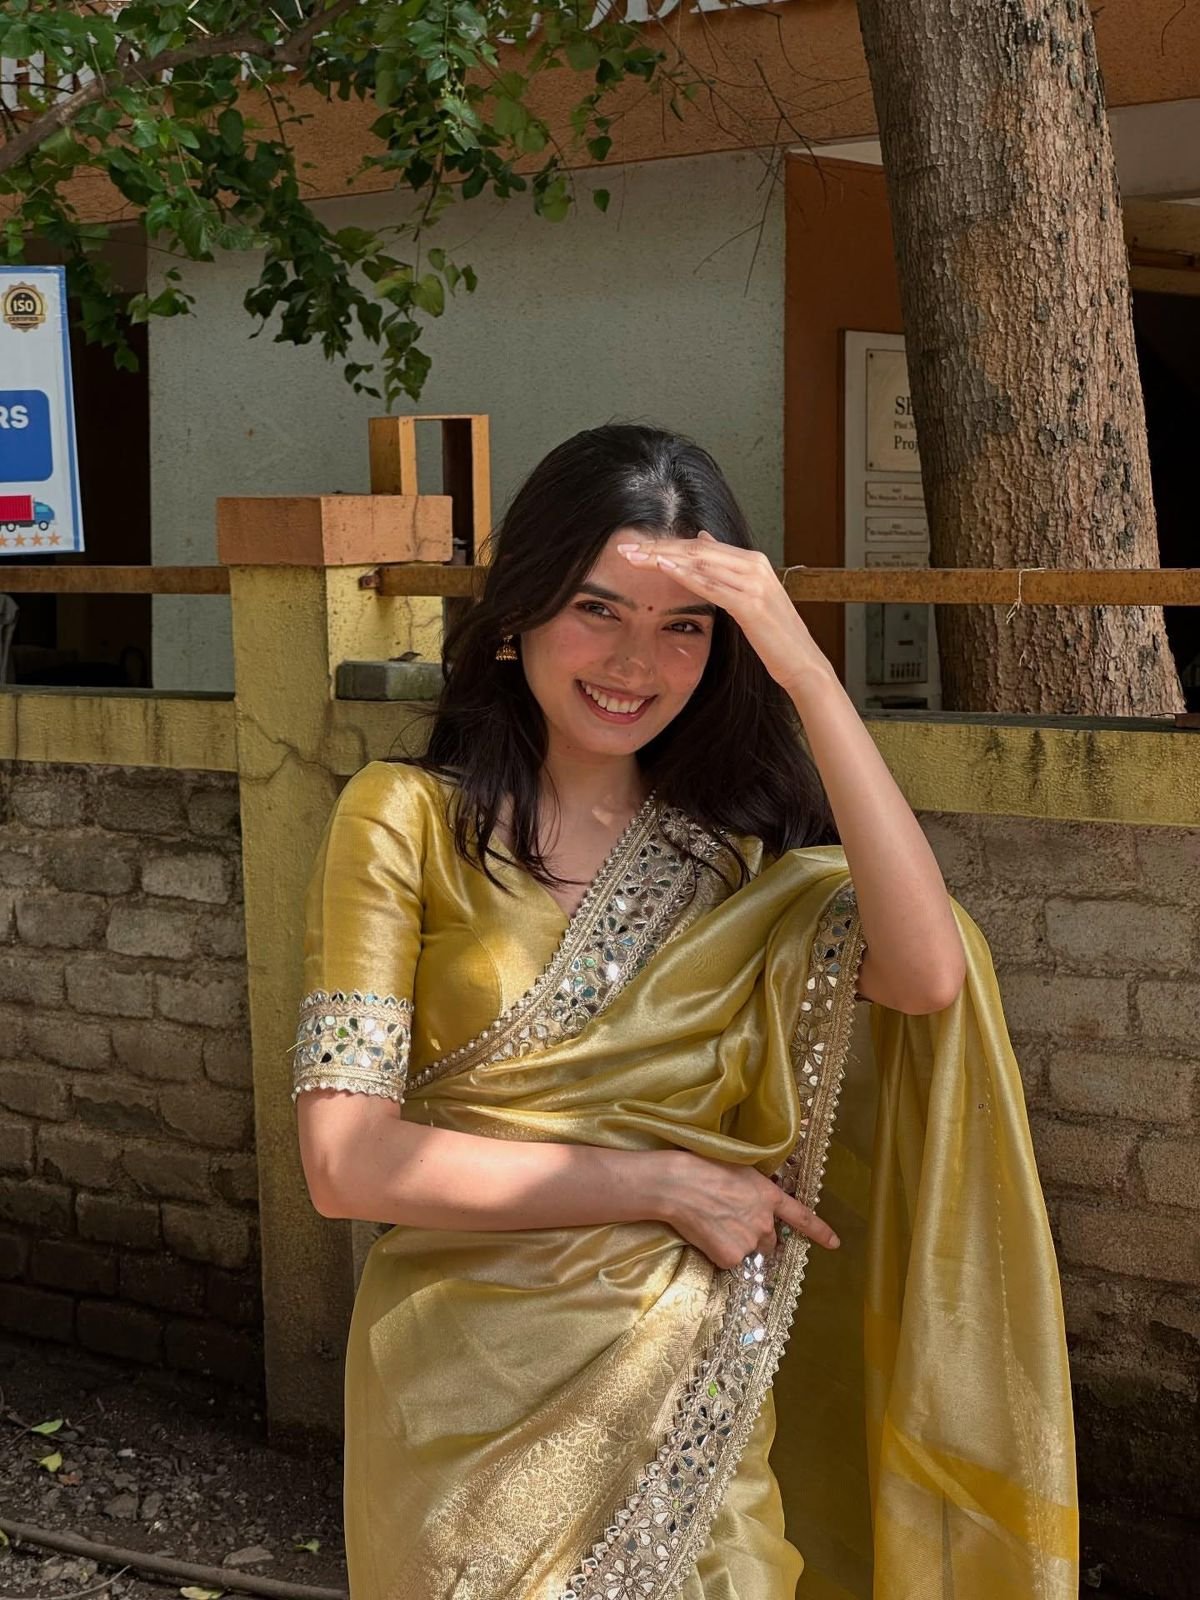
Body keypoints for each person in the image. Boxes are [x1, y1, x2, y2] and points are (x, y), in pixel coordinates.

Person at [290, 424, 1078, 1600]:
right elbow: (346, 1163)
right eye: (596, 609)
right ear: (517, 614)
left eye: (685, 627)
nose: (635, 661)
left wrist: (807, 672)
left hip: (689, 1386)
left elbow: (926, 973)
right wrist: (659, 1183)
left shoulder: (739, 863)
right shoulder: (403, 820)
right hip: (461, 1402)